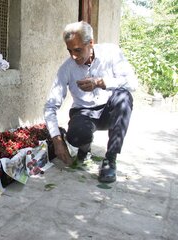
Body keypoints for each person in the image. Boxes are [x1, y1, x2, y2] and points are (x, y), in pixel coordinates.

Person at [44, 21, 137, 183]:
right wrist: (57, 140)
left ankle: (110, 158)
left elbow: (132, 84)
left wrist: (101, 82)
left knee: (124, 97)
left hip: (110, 111)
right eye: (69, 50)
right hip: (84, 113)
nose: (74, 56)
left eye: (78, 50)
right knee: (76, 135)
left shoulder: (111, 52)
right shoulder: (66, 68)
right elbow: (50, 105)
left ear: (91, 43)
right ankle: (84, 147)